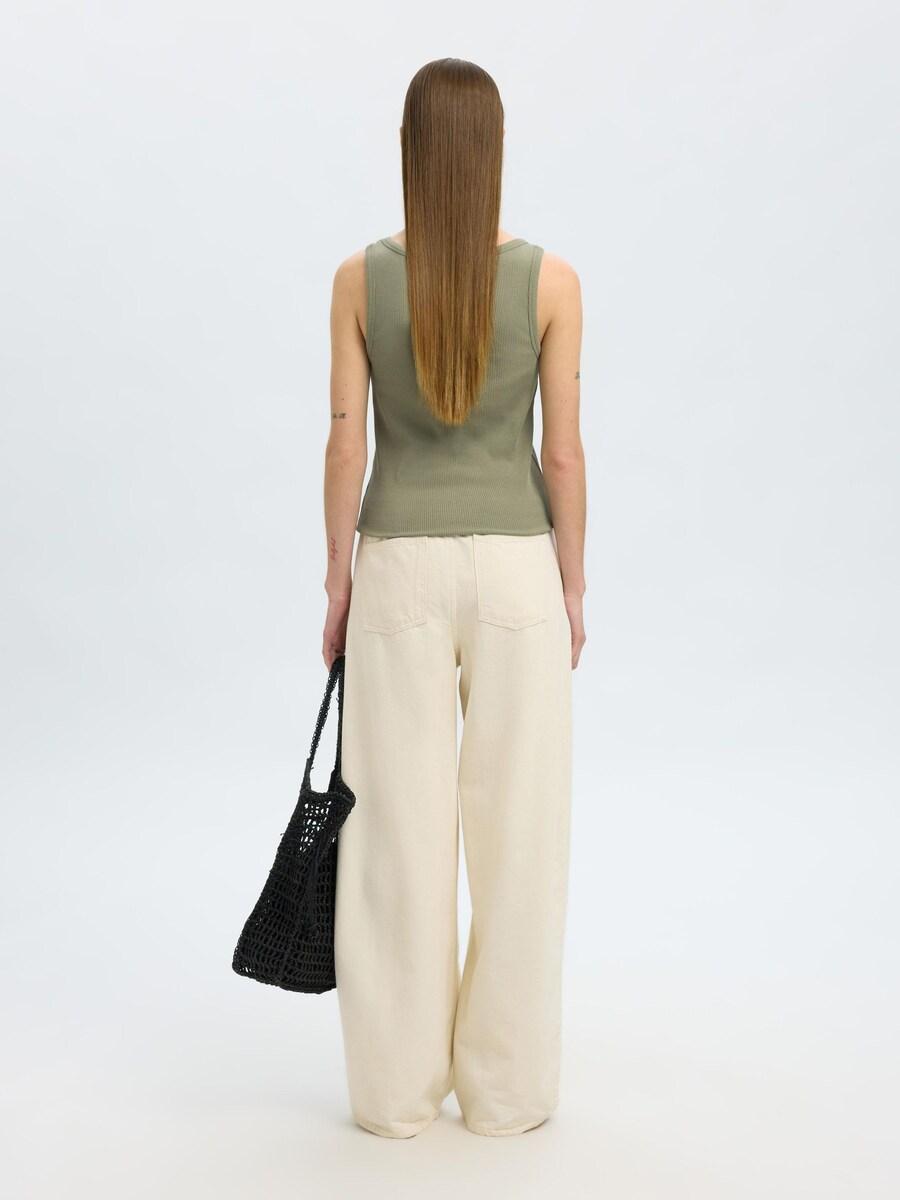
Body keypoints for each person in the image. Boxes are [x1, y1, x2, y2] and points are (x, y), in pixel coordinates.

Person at [321, 57, 586, 1138]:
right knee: (520, 833)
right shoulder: (552, 284)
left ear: (409, 149)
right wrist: (573, 583)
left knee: (396, 831)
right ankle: (507, 1097)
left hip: (398, 565)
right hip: (519, 567)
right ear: (496, 150)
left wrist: (337, 579)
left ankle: (393, 1097)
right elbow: (561, 456)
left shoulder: (358, 280)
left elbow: (347, 445)